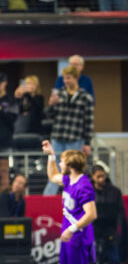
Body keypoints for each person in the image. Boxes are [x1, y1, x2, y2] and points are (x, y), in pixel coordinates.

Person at [41, 141, 97, 264]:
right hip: (69, 237)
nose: (61, 164)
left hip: (78, 237)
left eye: (63, 161)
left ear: (71, 164)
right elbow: (52, 175)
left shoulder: (83, 185)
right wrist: (50, 155)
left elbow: (91, 213)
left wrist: (72, 229)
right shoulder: (68, 180)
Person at [43, 66, 94, 195]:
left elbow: (89, 121)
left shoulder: (85, 97)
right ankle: (47, 200)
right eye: (64, 78)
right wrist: (51, 105)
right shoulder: (58, 94)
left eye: (68, 78)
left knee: (74, 172)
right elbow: (49, 116)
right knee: (54, 170)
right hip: (58, 137)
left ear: (76, 78)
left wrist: (87, 142)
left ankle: (77, 197)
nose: (65, 81)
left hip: (75, 139)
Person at [90, 165, 127, 264]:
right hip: (94, 233)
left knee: (115, 261)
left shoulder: (114, 192)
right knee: (96, 263)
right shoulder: (89, 192)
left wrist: (116, 231)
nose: (101, 179)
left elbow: (120, 213)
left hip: (111, 233)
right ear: (93, 177)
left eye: (103, 176)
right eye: (98, 176)